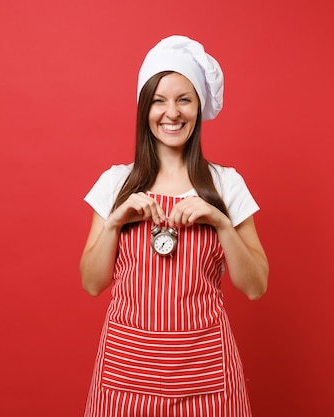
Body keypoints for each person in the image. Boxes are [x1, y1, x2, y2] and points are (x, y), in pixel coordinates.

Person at [80, 35, 269, 417]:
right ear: (143, 108)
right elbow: (92, 283)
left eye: (184, 99)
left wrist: (220, 222)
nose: (172, 113)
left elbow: (255, 286)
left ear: (198, 107)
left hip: (205, 377)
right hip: (126, 377)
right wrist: (115, 222)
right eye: (158, 100)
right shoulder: (116, 183)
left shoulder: (225, 184)